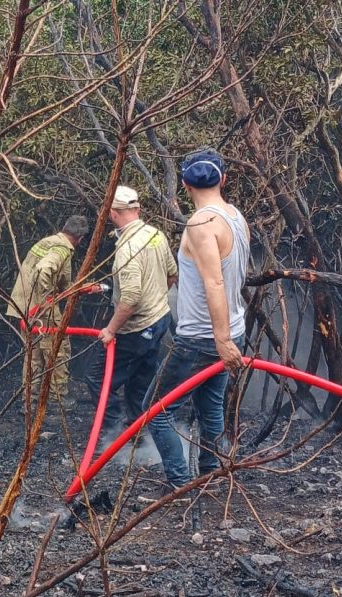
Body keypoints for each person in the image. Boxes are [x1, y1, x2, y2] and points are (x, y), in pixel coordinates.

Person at [141, 149, 250, 500]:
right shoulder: (235, 216)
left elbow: (214, 283)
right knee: (210, 407)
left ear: (185, 184)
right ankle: (212, 473)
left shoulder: (201, 225)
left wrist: (220, 340)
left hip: (203, 338)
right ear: (224, 179)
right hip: (233, 329)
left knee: (155, 410)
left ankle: (179, 485)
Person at [85, 186, 177, 439]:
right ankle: (139, 431)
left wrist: (111, 330)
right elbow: (172, 273)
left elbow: (131, 299)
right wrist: (155, 297)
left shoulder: (127, 248)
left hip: (135, 330)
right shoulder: (155, 235)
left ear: (113, 213)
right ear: (136, 209)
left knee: (97, 378)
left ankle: (114, 434)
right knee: (140, 380)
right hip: (159, 321)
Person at [7, 215, 90, 410]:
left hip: (25, 307)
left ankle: (30, 401)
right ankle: (57, 400)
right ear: (80, 238)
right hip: (42, 309)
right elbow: (45, 270)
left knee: (33, 355)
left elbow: (58, 281)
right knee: (59, 350)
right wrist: (46, 302)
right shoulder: (62, 249)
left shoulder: (47, 242)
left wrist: (80, 288)